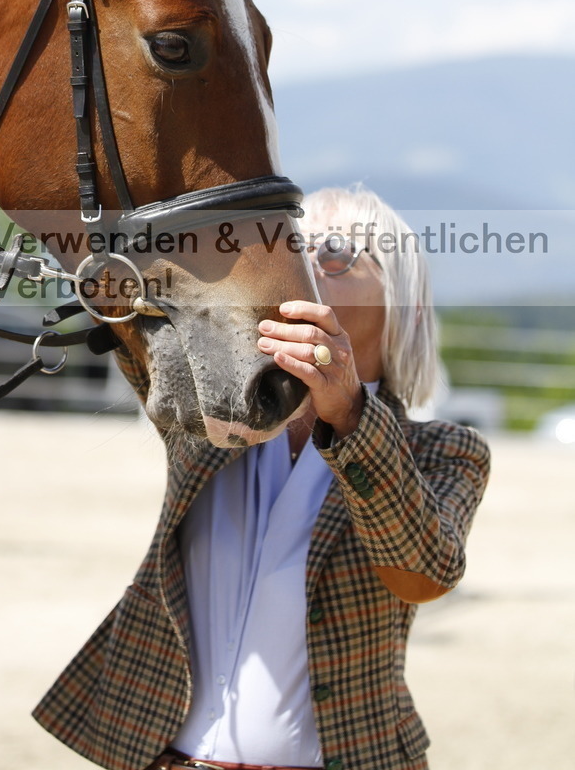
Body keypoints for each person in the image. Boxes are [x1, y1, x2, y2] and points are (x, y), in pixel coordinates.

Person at [33, 185, 491, 770]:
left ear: (405, 305)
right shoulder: (218, 410)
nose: (302, 265)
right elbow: (123, 306)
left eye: (334, 252)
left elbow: (424, 576)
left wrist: (351, 414)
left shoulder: (445, 451)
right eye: (291, 245)